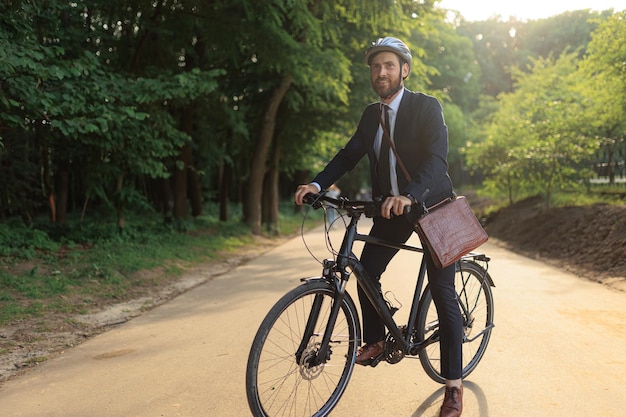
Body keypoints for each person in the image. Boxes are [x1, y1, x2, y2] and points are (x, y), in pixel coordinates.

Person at [294, 37, 464, 417]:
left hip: (432, 207)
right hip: (391, 209)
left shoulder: (425, 107)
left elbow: (437, 160)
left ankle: (453, 388)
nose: (381, 72)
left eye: (389, 65)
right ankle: (374, 339)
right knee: (365, 271)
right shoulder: (371, 114)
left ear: (404, 70)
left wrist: (409, 194)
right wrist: (318, 185)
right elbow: (349, 153)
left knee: (443, 292)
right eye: (375, 67)